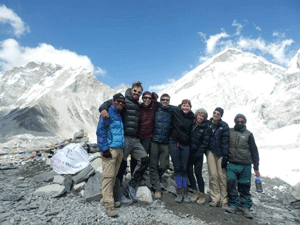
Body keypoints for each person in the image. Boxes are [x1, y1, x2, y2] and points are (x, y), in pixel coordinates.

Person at [99, 82, 149, 203]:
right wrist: (103, 109)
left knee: (144, 160)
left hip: (136, 139)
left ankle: (131, 185)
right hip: (124, 138)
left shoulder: (138, 104)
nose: (137, 93)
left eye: (139, 92)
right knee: (121, 166)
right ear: (131, 90)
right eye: (135, 91)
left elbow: (153, 104)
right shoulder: (124, 101)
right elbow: (109, 102)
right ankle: (118, 193)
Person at [224, 114, 260, 219]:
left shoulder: (249, 134)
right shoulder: (229, 131)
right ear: (235, 121)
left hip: (245, 165)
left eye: (242, 122)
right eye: (238, 121)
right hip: (232, 163)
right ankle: (233, 204)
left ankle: (245, 207)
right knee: (231, 184)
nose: (240, 123)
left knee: (244, 186)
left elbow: (254, 151)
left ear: (245, 122)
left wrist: (256, 168)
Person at [96, 93, 126, 217]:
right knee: (108, 177)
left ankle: (110, 198)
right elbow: (100, 131)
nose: (120, 104)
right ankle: (109, 206)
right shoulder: (106, 113)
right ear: (112, 101)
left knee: (113, 176)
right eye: (117, 101)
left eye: (122, 102)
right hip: (110, 149)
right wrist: (104, 149)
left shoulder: (119, 114)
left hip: (119, 149)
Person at [169, 99, 194, 203]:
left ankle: (185, 190)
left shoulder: (192, 116)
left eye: (187, 106)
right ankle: (179, 190)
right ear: (181, 106)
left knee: (185, 168)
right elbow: (164, 104)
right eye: (183, 105)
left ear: (190, 107)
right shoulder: (176, 111)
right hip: (174, 143)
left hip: (185, 145)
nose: (185, 107)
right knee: (177, 167)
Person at [203, 107, 229, 207]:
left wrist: (226, 156)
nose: (216, 115)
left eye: (218, 114)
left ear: (221, 116)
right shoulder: (208, 124)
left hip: (221, 153)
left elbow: (226, 142)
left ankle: (224, 199)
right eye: (214, 113)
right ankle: (215, 198)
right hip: (210, 152)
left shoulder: (224, 126)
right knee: (213, 175)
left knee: (222, 175)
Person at [150, 93, 173, 199]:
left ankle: (156, 179)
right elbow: (151, 100)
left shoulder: (171, 111)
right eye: (163, 99)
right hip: (154, 141)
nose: (165, 101)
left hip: (165, 142)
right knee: (153, 165)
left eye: (167, 100)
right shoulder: (156, 108)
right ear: (160, 100)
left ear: (169, 101)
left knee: (164, 165)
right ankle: (157, 188)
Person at [130, 91, 158, 177]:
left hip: (147, 137)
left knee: (144, 158)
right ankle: (132, 175)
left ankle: (139, 176)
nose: (147, 100)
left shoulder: (153, 107)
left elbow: (156, 98)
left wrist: (153, 95)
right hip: (137, 137)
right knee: (134, 158)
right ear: (142, 98)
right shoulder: (138, 106)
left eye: (149, 98)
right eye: (145, 98)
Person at [188, 108, 209, 205]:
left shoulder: (205, 127)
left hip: (198, 154)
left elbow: (205, 143)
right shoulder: (191, 124)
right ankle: (194, 191)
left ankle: (202, 194)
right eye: (199, 115)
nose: (200, 117)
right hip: (189, 152)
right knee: (189, 172)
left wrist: (199, 153)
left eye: (203, 116)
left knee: (198, 174)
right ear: (196, 115)